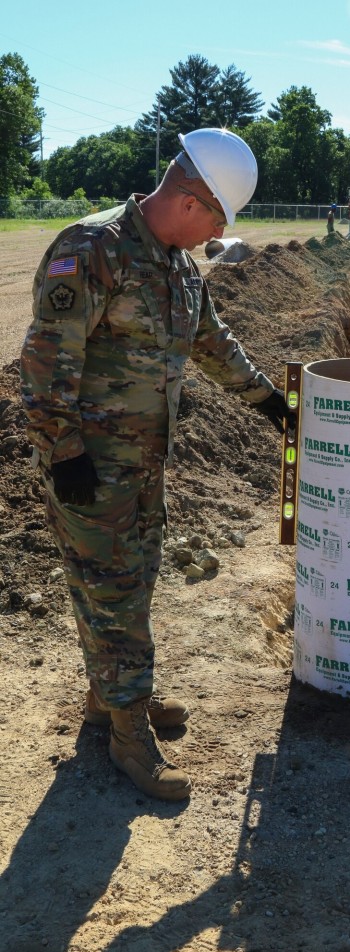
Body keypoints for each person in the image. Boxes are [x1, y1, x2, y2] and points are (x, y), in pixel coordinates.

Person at [20, 128, 292, 803]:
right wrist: (63, 451)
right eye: (219, 222)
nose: (214, 237)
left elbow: (213, 343)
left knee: (128, 582)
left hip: (145, 464)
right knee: (113, 591)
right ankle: (128, 730)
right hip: (90, 465)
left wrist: (270, 403)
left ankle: (107, 697)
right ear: (195, 200)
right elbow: (47, 359)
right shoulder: (93, 249)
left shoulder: (176, 267)